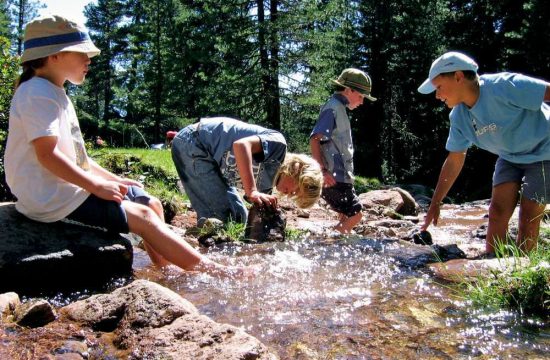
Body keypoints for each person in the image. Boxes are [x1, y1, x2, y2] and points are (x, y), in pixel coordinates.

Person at [5, 15, 242, 277]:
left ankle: (166, 272)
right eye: (82, 52)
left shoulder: (55, 92)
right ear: (54, 55)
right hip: (48, 197)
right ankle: (215, 272)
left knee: (152, 204)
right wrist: (95, 186)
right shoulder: (36, 92)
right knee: (143, 217)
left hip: (66, 188)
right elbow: (47, 156)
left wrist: (115, 179)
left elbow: (79, 158)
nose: (89, 60)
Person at [418, 51, 550, 255]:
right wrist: (435, 203)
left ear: (459, 77)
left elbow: (547, 92)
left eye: (439, 87)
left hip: (545, 152)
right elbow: (455, 159)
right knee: (497, 212)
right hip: (509, 157)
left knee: (529, 213)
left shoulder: (504, 86)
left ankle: (526, 271)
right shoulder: (459, 117)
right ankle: (492, 264)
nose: (437, 95)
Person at [171, 117, 323, 226]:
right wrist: (252, 191)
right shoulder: (278, 146)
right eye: (296, 191)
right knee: (220, 217)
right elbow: (241, 145)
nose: (290, 195)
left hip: (213, 164)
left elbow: (254, 205)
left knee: (239, 217)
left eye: (294, 197)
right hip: (194, 142)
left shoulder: (268, 187)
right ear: (297, 171)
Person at [310, 68, 377, 233]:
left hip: (341, 177)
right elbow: (315, 138)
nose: (362, 102)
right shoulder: (333, 108)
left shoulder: (339, 108)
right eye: (361, 96)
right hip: (334, 177)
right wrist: (322, 170)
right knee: (356, 215)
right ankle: (331, 241)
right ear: (349, 90)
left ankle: (339, 242)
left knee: (346, 215)